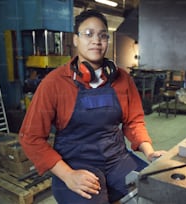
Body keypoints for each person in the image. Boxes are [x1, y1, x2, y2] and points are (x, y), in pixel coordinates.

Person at [19, 9, 165, 204]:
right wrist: (68, 175)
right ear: (76, 39)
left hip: (117, 160)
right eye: (88, 34)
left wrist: (150, 152)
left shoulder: (122, 79)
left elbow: (134, 121)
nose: (96, 40)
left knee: (155, 192)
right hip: (76, 163)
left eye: (102, 35)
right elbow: (31, 137)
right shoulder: (54, 83)